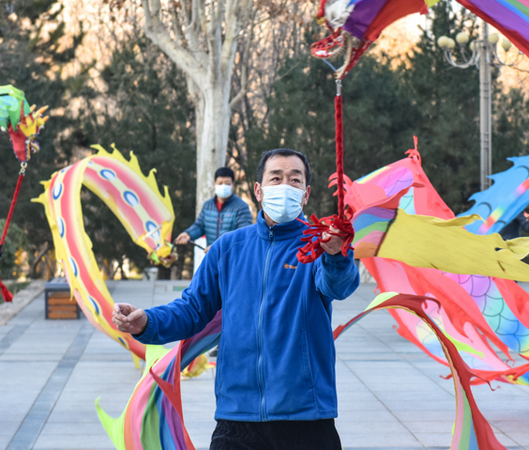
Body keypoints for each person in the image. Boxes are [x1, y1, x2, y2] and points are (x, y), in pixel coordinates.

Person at [112, 148, 360, 450]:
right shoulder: (227, 248)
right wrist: (147, 322)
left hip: (306, 416)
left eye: (295, 180)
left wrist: (337, 256)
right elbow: (193, 309)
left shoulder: (318, 245)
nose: (285, 186)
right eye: (276, 178)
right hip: (236, 418)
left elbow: (339, 286)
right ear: (258, 190)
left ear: (306, 194)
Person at [174, 167, 253, 248]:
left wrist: (218, 247)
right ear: (214, 184)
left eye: (227, 183)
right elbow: (200, 226)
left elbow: (243, 234)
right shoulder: (208, 205)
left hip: (232, 257)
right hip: (212, 257)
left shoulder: (241, 207)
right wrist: (188, 234)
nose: (223, 186)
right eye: (220, 183)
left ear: (233, 185)